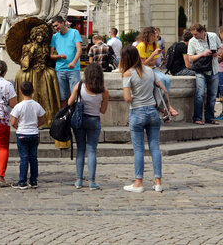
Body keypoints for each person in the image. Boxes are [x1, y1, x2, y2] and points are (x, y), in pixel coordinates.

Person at [120, 45, 177, 193]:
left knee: (139, 149)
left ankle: (138, 183)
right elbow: (163, 90)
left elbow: (127, 98)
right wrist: (169, 108)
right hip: (153, 112)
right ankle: (158, 182)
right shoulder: (150, 71)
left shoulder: (127, 74)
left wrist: (133, 96)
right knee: (155, 148)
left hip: (137, 113)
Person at [68, 63, 109, 190]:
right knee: (91, 150)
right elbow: (103, 110)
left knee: (80, 149)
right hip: (94, 120)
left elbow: (69, 102)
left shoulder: (79, 86)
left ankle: (79, 180)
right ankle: (92, 181)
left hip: (80, 120)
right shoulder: (104, 91)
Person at [10, 81, 45, 189]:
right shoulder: (37, 105)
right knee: (33, 158)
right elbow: (42, 119)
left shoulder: (19, 106)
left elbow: (13, 122)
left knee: (24, 158)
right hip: (33, 133)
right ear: (33, 91)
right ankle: (33, 180)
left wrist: (17, 127)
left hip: (22, 133)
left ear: (20, 91)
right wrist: (35, 125)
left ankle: (22, 181)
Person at [187, 23, 222, 125]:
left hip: (214, 69)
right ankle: (197, 118)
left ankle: (210, 118)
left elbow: (219, 48)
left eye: (195, 34)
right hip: (200, 71)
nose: (194, 36)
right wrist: (202, 54)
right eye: (192, 34)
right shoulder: (192, 41)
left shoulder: (213, 36)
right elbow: (190, 58)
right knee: (200, 94)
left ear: (202, 32)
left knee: (212, 95)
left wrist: (216, 53)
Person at [50, 16, 82, 107]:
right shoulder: (55, 37)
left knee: (76, 95)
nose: (56, 28)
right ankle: (64, 117)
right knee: (62, 97)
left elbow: (79, 50)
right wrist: (59, 56)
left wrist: (73, 62)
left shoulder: (74, 32)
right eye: (54, 27)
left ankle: (74, 116)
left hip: (74, 70)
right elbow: (51, 55)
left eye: (57, 25)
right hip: (60, 70)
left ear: (62, 23)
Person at [136, 27, 171, 92]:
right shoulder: (142, 45)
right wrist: (153, 54)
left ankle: (164, 97)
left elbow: (153, 63)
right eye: (154, 34)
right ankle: (161, 99)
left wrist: (147, 60)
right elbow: (143, 63)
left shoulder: (155, 45)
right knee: (161, 80)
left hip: (150, 69)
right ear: (149, 35)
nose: (156, 35)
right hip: (142, 70)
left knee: (168, 79)